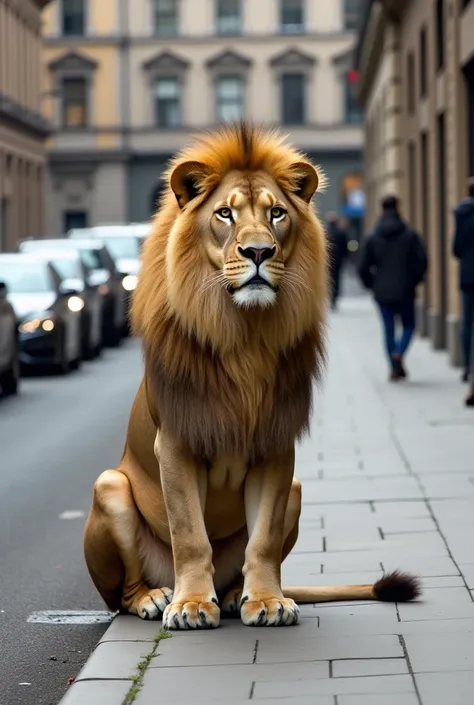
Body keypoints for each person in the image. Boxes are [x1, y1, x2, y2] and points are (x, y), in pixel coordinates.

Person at [358, 195, 427, 381]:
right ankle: (399, 352)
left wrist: (371, 284)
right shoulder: (410, 234)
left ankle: (394, 365)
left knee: (388, 329)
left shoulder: (372, 236)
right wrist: (414, 280)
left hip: (382, 290)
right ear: (398, 208)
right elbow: (421, 261)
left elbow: (363, 265)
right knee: (409, 325)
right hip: (405, 289)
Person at [452, 178, 474, 407]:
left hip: (468, 276)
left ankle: (468, 366)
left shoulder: (461, 214)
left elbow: (456, 249)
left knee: (468, 322)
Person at [325, 211, 348, 309]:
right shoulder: (341, 232)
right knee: (337, 279)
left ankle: (329, 296)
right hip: (338, 260)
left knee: (327, 279)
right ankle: (334, 297)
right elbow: (345, 247)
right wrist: (345, 258)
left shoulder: (324, 231)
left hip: (327, 260)